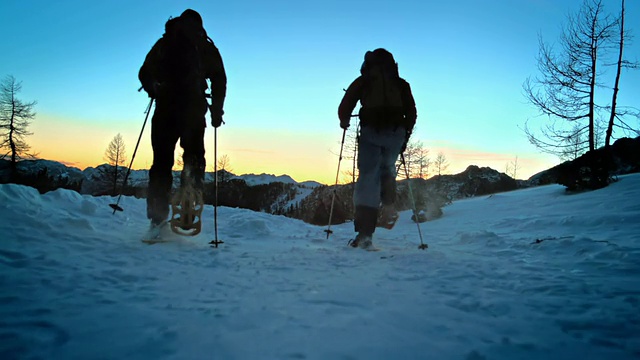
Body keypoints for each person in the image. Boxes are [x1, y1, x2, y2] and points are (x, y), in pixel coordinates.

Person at [138, 9, 227, 233]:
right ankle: (189, 205)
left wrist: (153, 88)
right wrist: (217, 111)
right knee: (194, 158)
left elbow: (144, 72)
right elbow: (219, 78)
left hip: (165, 108)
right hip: (193, 110)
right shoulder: (204, 45)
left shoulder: (165, 42)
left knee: (161, 163)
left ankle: (157, 219)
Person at [338, 48, 417, 249]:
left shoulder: (364, 80)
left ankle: (365, 235)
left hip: (371, 133)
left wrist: (344, 121)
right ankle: (389, 207)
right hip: (395, 134)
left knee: (368, 179)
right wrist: (404, 136)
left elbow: (346, 104)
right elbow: (412, 112)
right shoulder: (400, 83)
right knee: (388, 169)